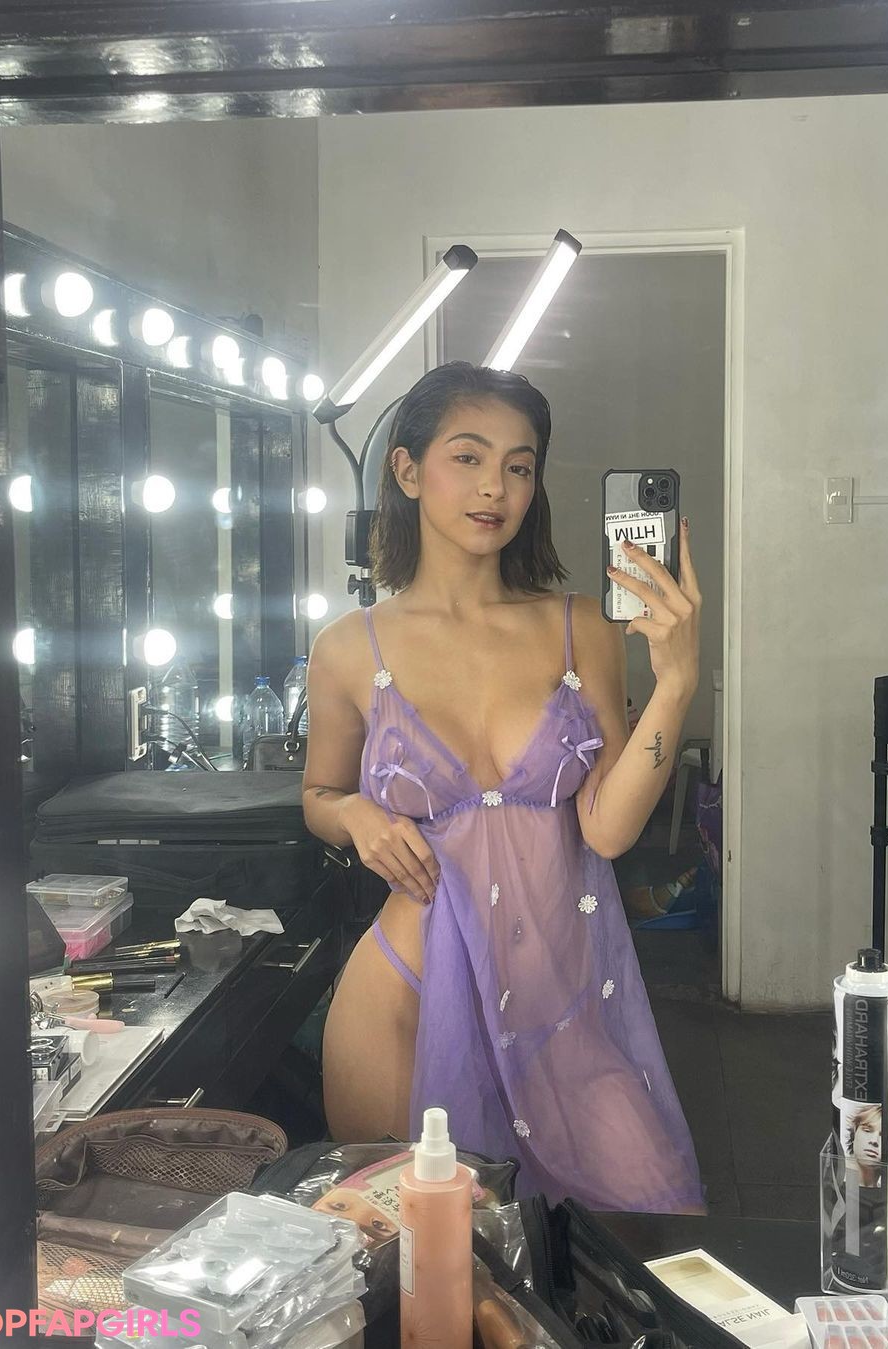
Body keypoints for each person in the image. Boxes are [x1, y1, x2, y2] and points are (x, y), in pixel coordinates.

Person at [302, 362, 704, 1212]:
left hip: (559, 1006)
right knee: (418, 1260)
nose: (496, 487)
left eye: (519, 466)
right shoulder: (346, 648)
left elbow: (607, 829)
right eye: (468, 457)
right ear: (408, 471)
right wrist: (357, 814)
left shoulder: (581, 627)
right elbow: (319, 794)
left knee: (650, 1219)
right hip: (403, 1002)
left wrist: (675, 683)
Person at [846, 1103, 884, 1188]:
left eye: (883, 1136)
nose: (874, 1140)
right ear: (854, 1132)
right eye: (867, 1130)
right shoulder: (839, 1179)